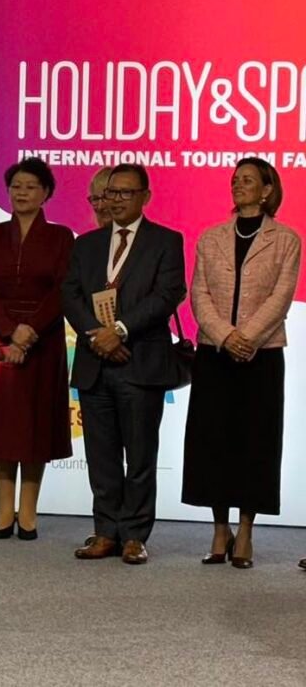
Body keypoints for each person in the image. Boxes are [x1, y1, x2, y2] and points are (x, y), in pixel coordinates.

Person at [62, 163, 186, 565]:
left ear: (145, 197)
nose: (115, 200)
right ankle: (105, 531)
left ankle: (134, 535)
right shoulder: (87, 244)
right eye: (111, 193)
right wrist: (97, 336)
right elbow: (70, 295)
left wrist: (120, 330)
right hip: (95, 362)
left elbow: (168, 293)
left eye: (125, 193)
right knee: (101, 456)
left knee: (140, 456)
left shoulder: (166, 241)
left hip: (141, 362)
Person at [181, 157, 300, 569]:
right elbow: (199, 294)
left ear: (267, 190)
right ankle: (220, 529)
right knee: (212, 439)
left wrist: (247, 338)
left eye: (248, 180)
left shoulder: (286, 239)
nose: (238, 184)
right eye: (235, 179)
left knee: (256, 441)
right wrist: (225, 336)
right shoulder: (210, 237)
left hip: (261, 354)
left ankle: (246, 530)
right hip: (215, 353)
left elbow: (281, 296)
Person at [0, 158, 74, 540]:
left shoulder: (62, 237)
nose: (22, 193)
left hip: (43, 340)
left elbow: (64, 288)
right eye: (16, 186)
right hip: (0, 336)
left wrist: (30, 331)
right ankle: (3, 512)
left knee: (36, 425)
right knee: (2, 425)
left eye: (31, 186)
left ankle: (28, 513)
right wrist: (10, 330)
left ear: (46, 193)